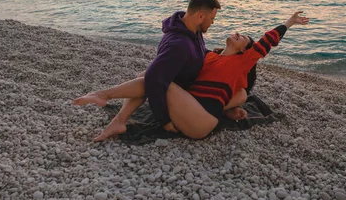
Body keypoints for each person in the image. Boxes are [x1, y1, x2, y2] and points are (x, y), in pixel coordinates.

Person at [72, 11, 309, 141]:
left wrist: (289, 22)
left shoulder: (241, 63)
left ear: (246, 50)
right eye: (239, 33)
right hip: (187, 110)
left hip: (201, 122)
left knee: (155, 78)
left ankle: (103, 95)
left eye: (244, 37)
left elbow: (266, 43)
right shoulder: (207, 57)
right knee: (155, 76)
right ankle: (118, 122)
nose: (238, 34)